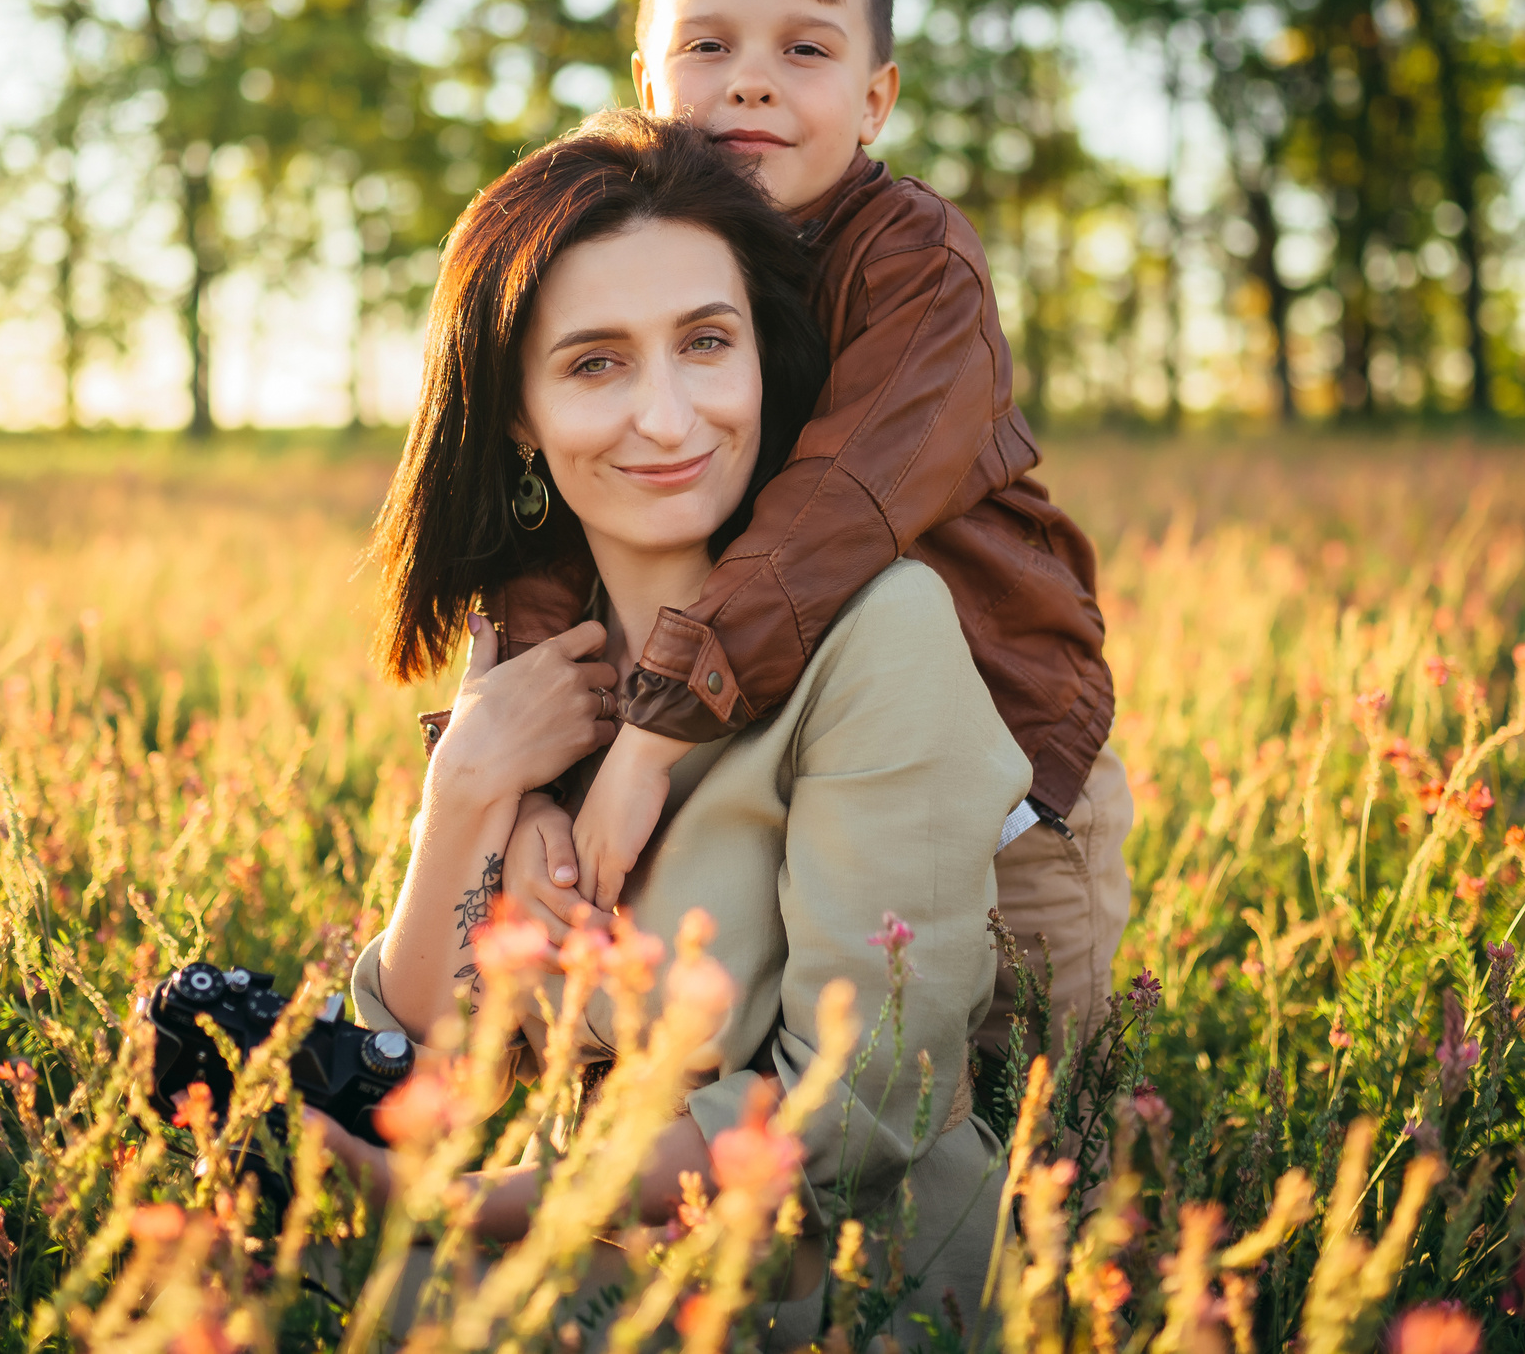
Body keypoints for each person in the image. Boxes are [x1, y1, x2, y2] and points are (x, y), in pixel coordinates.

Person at [336, 109, 1031, 1331]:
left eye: (706, 343)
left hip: (847, 1281)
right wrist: (463, 795)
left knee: (397, 1302)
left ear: (764, 355)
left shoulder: (881, 632)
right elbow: (427, 1067)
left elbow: (870, 1094)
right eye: (596, 362)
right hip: (595, 1247)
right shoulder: (534, 660)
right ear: (516, 414)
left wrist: (500, 1205)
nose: (666, 416)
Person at [463, 0, 1130, 1060]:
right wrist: (521, 781)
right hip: (783, 743)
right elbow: (553, 519)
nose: (751, 85)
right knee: (782, 1058)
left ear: (876, 98)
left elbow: (836, 508)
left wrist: (648, 739)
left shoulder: (913, 263)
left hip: (1004, 772)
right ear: (645, 76)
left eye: (804, 50)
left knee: (1009, 1091)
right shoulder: (638, 250)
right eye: (708, 45)